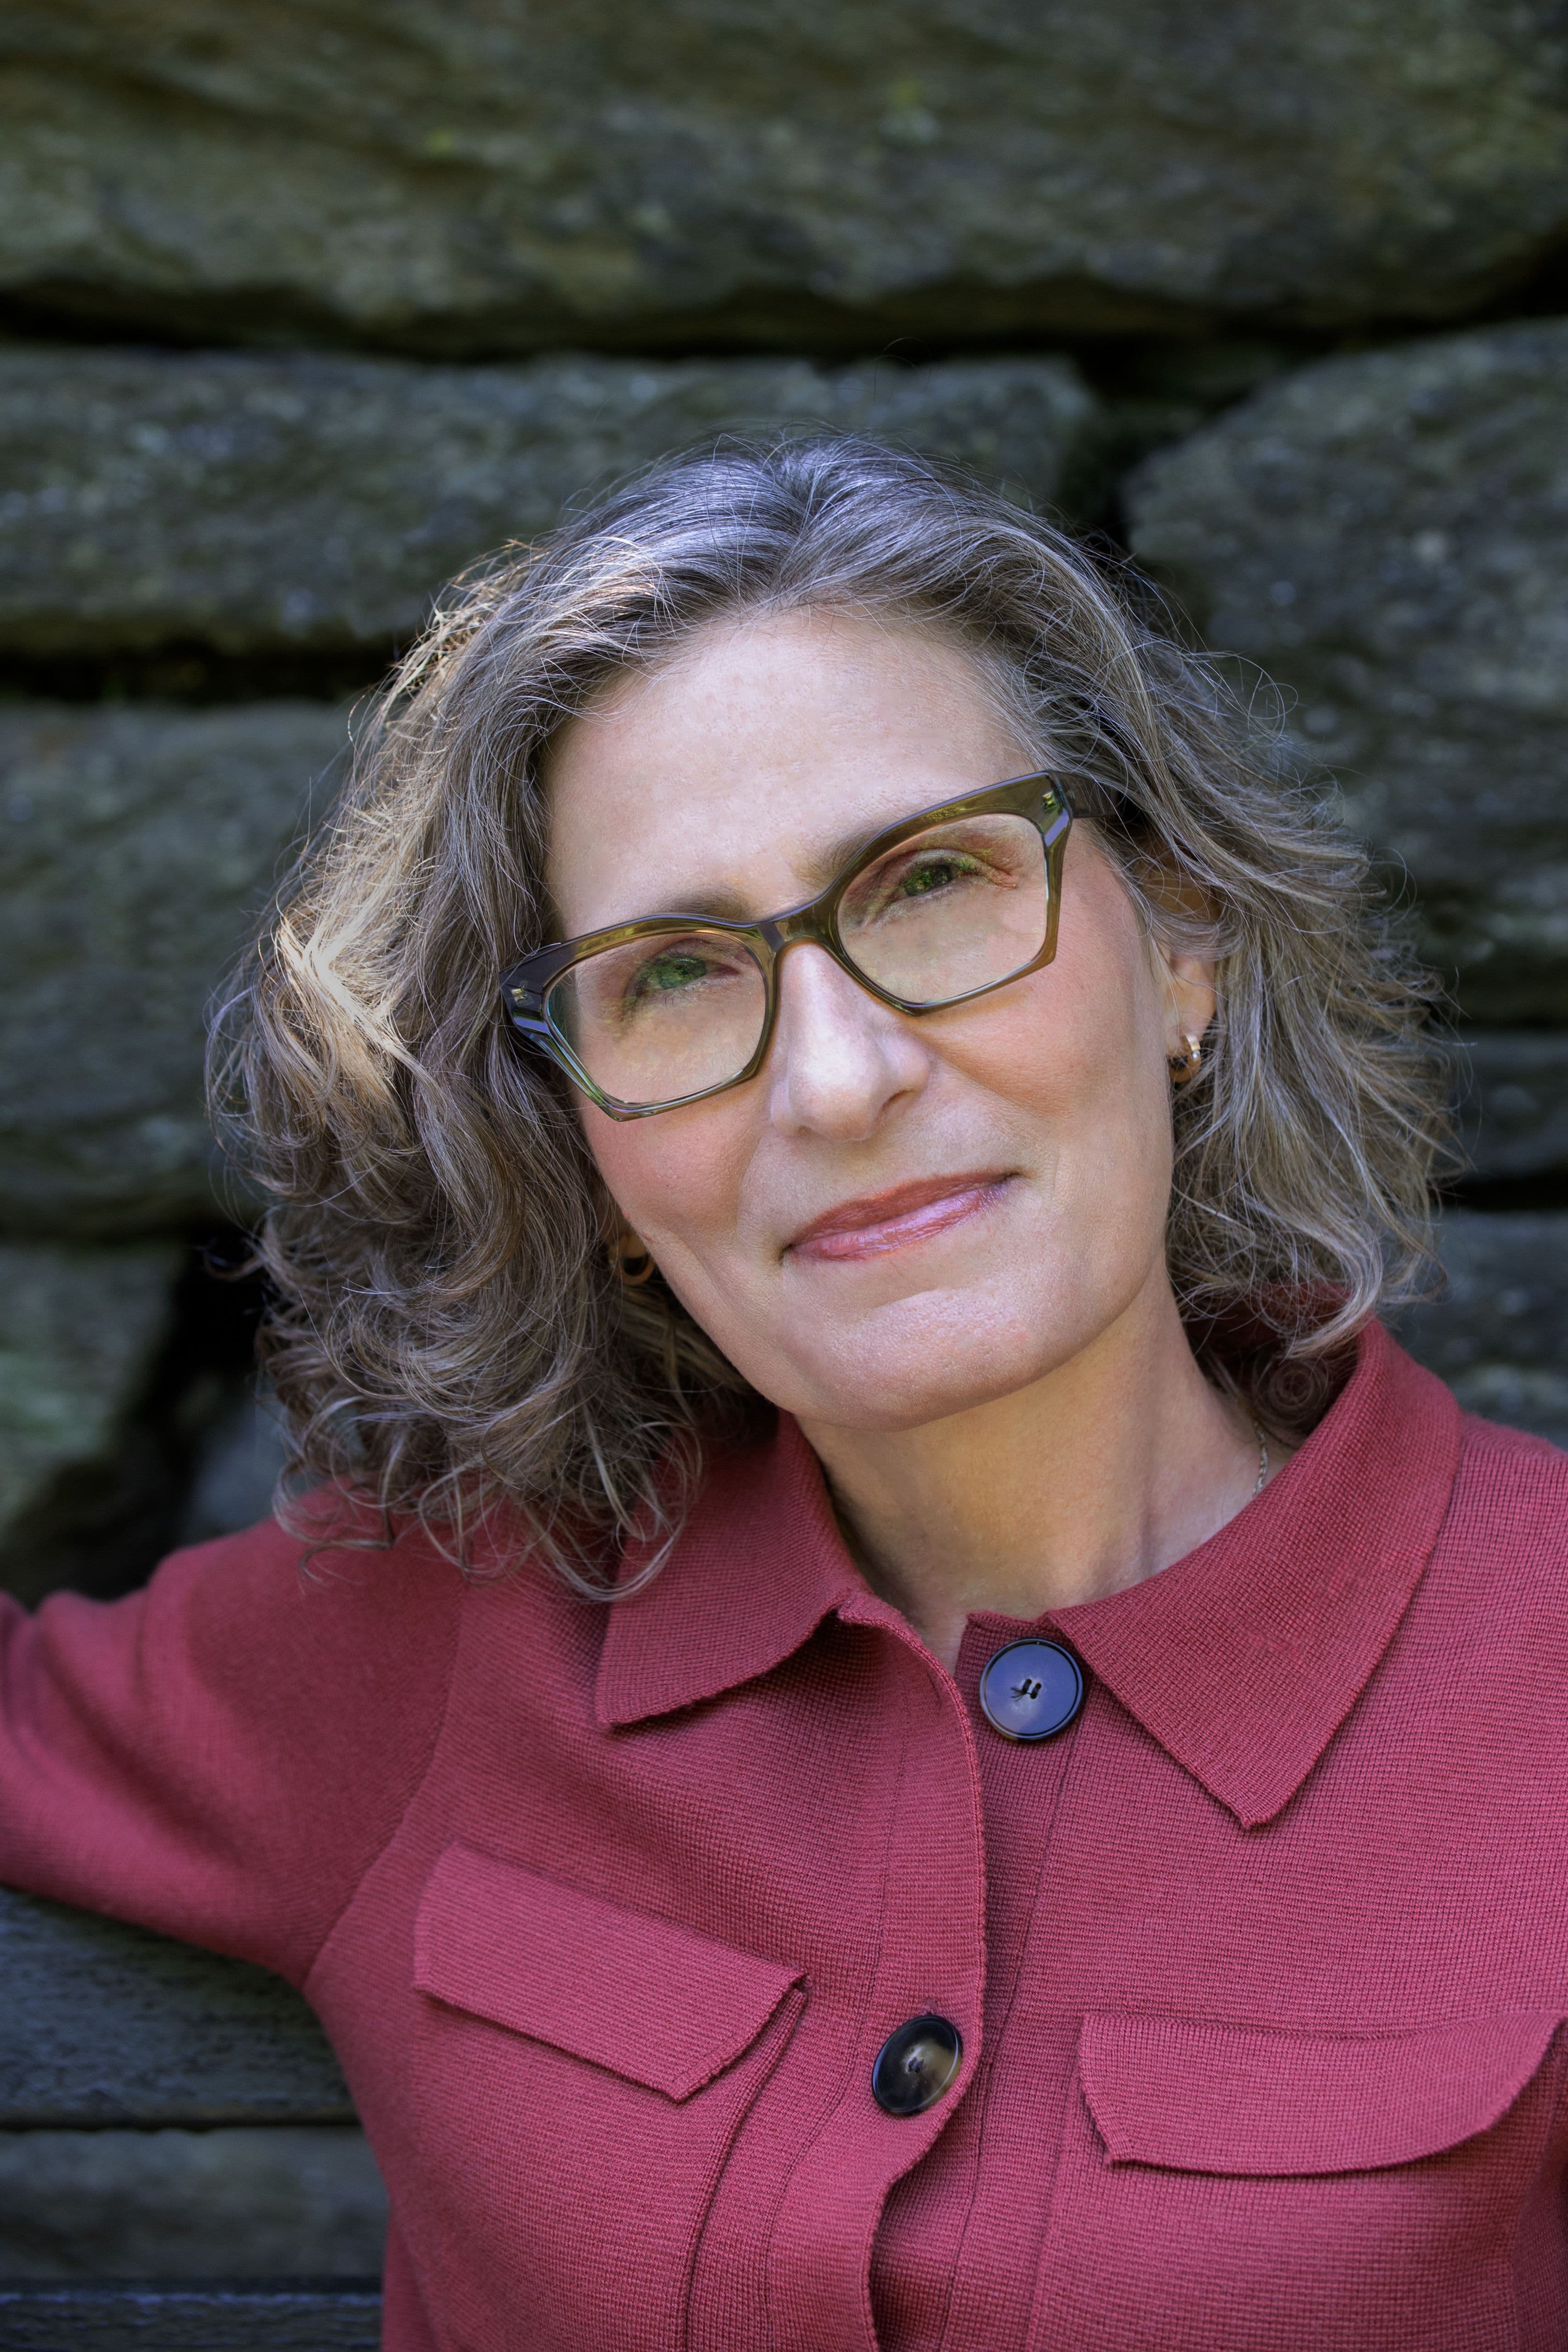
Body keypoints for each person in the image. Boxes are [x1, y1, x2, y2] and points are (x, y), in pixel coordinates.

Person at [2, 438, 1564, 2352]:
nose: (834, 1080)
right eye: (672, 976)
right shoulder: (434, 1627)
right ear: (579, 1143)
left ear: (1182, 942)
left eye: (932, 881)